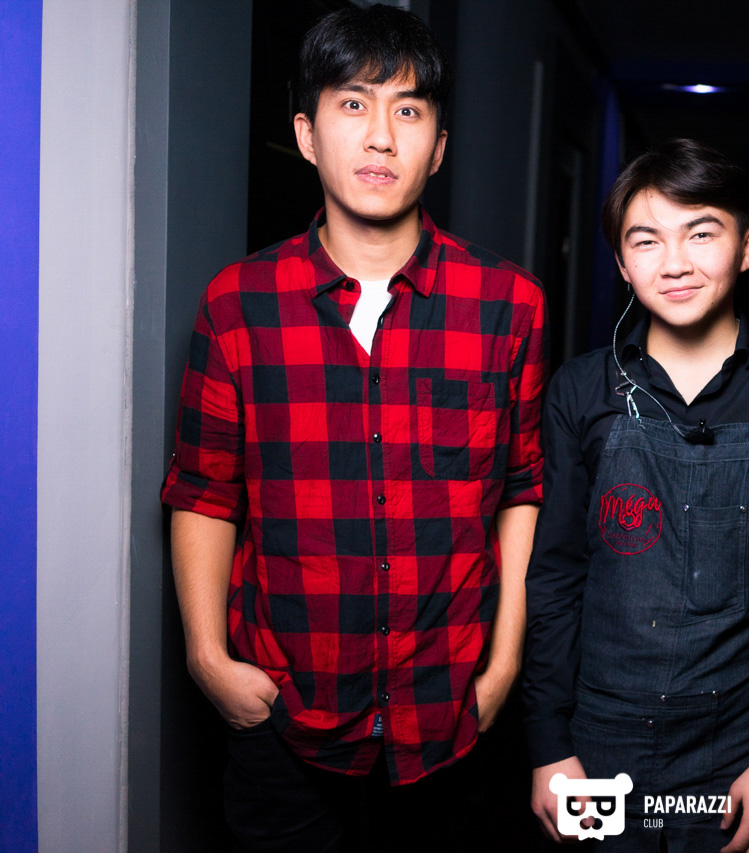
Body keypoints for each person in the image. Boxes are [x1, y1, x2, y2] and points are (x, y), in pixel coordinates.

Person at [160, 6, 544, 851]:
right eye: (353, 104)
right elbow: (204, 490)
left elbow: (521, 487)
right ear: (306, 135)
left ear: (438, 148)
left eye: (408, 110)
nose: (380, 136)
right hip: (286, 717)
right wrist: (206, 655)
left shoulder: (507, 304)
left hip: (450, 717)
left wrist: (505, 662)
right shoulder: (238, 303)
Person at [524, 139, 749, 853]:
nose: (674, 263)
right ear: (621, 263)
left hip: (740, 746)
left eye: (701, 233)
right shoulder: (581, 390)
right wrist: (549, 744)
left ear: (748, 246)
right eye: (646, 241)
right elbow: (555, 578)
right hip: (599, 740)